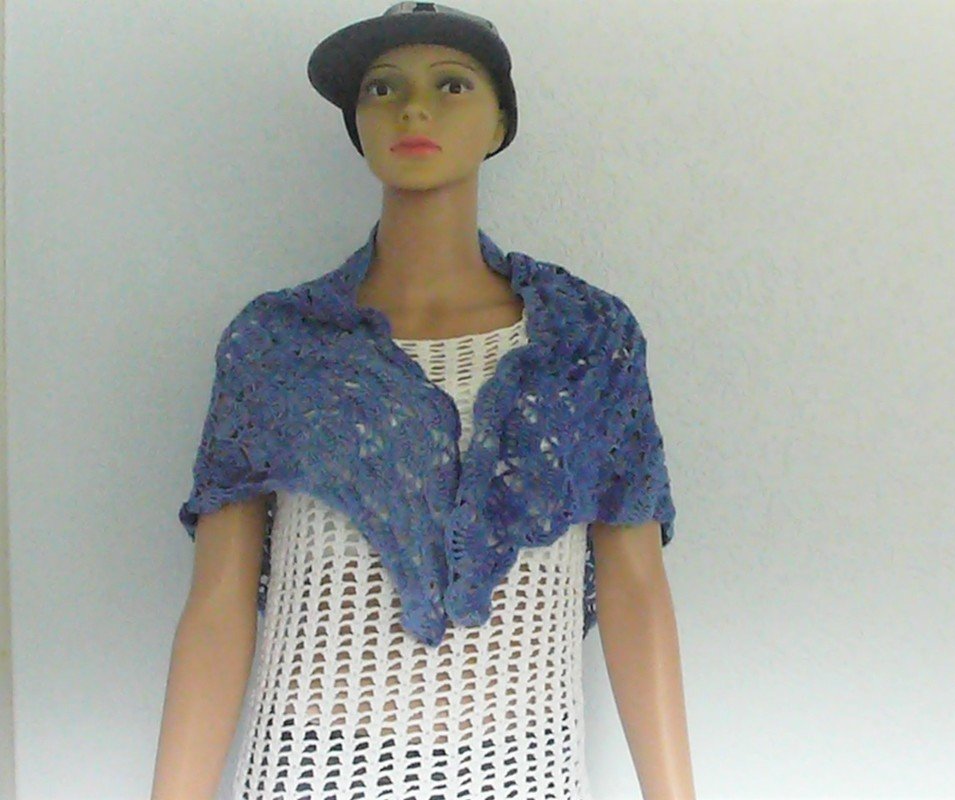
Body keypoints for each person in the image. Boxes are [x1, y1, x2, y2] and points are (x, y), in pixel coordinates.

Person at [151, 4, 694, 799]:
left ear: (499, 122)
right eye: (381, 89)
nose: (412, 110)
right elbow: (216, 605)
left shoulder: (587, 339)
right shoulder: (279, 343)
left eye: (451, 85)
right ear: (357, 124)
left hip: (525, 770)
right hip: (311, 768)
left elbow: (635, 588)